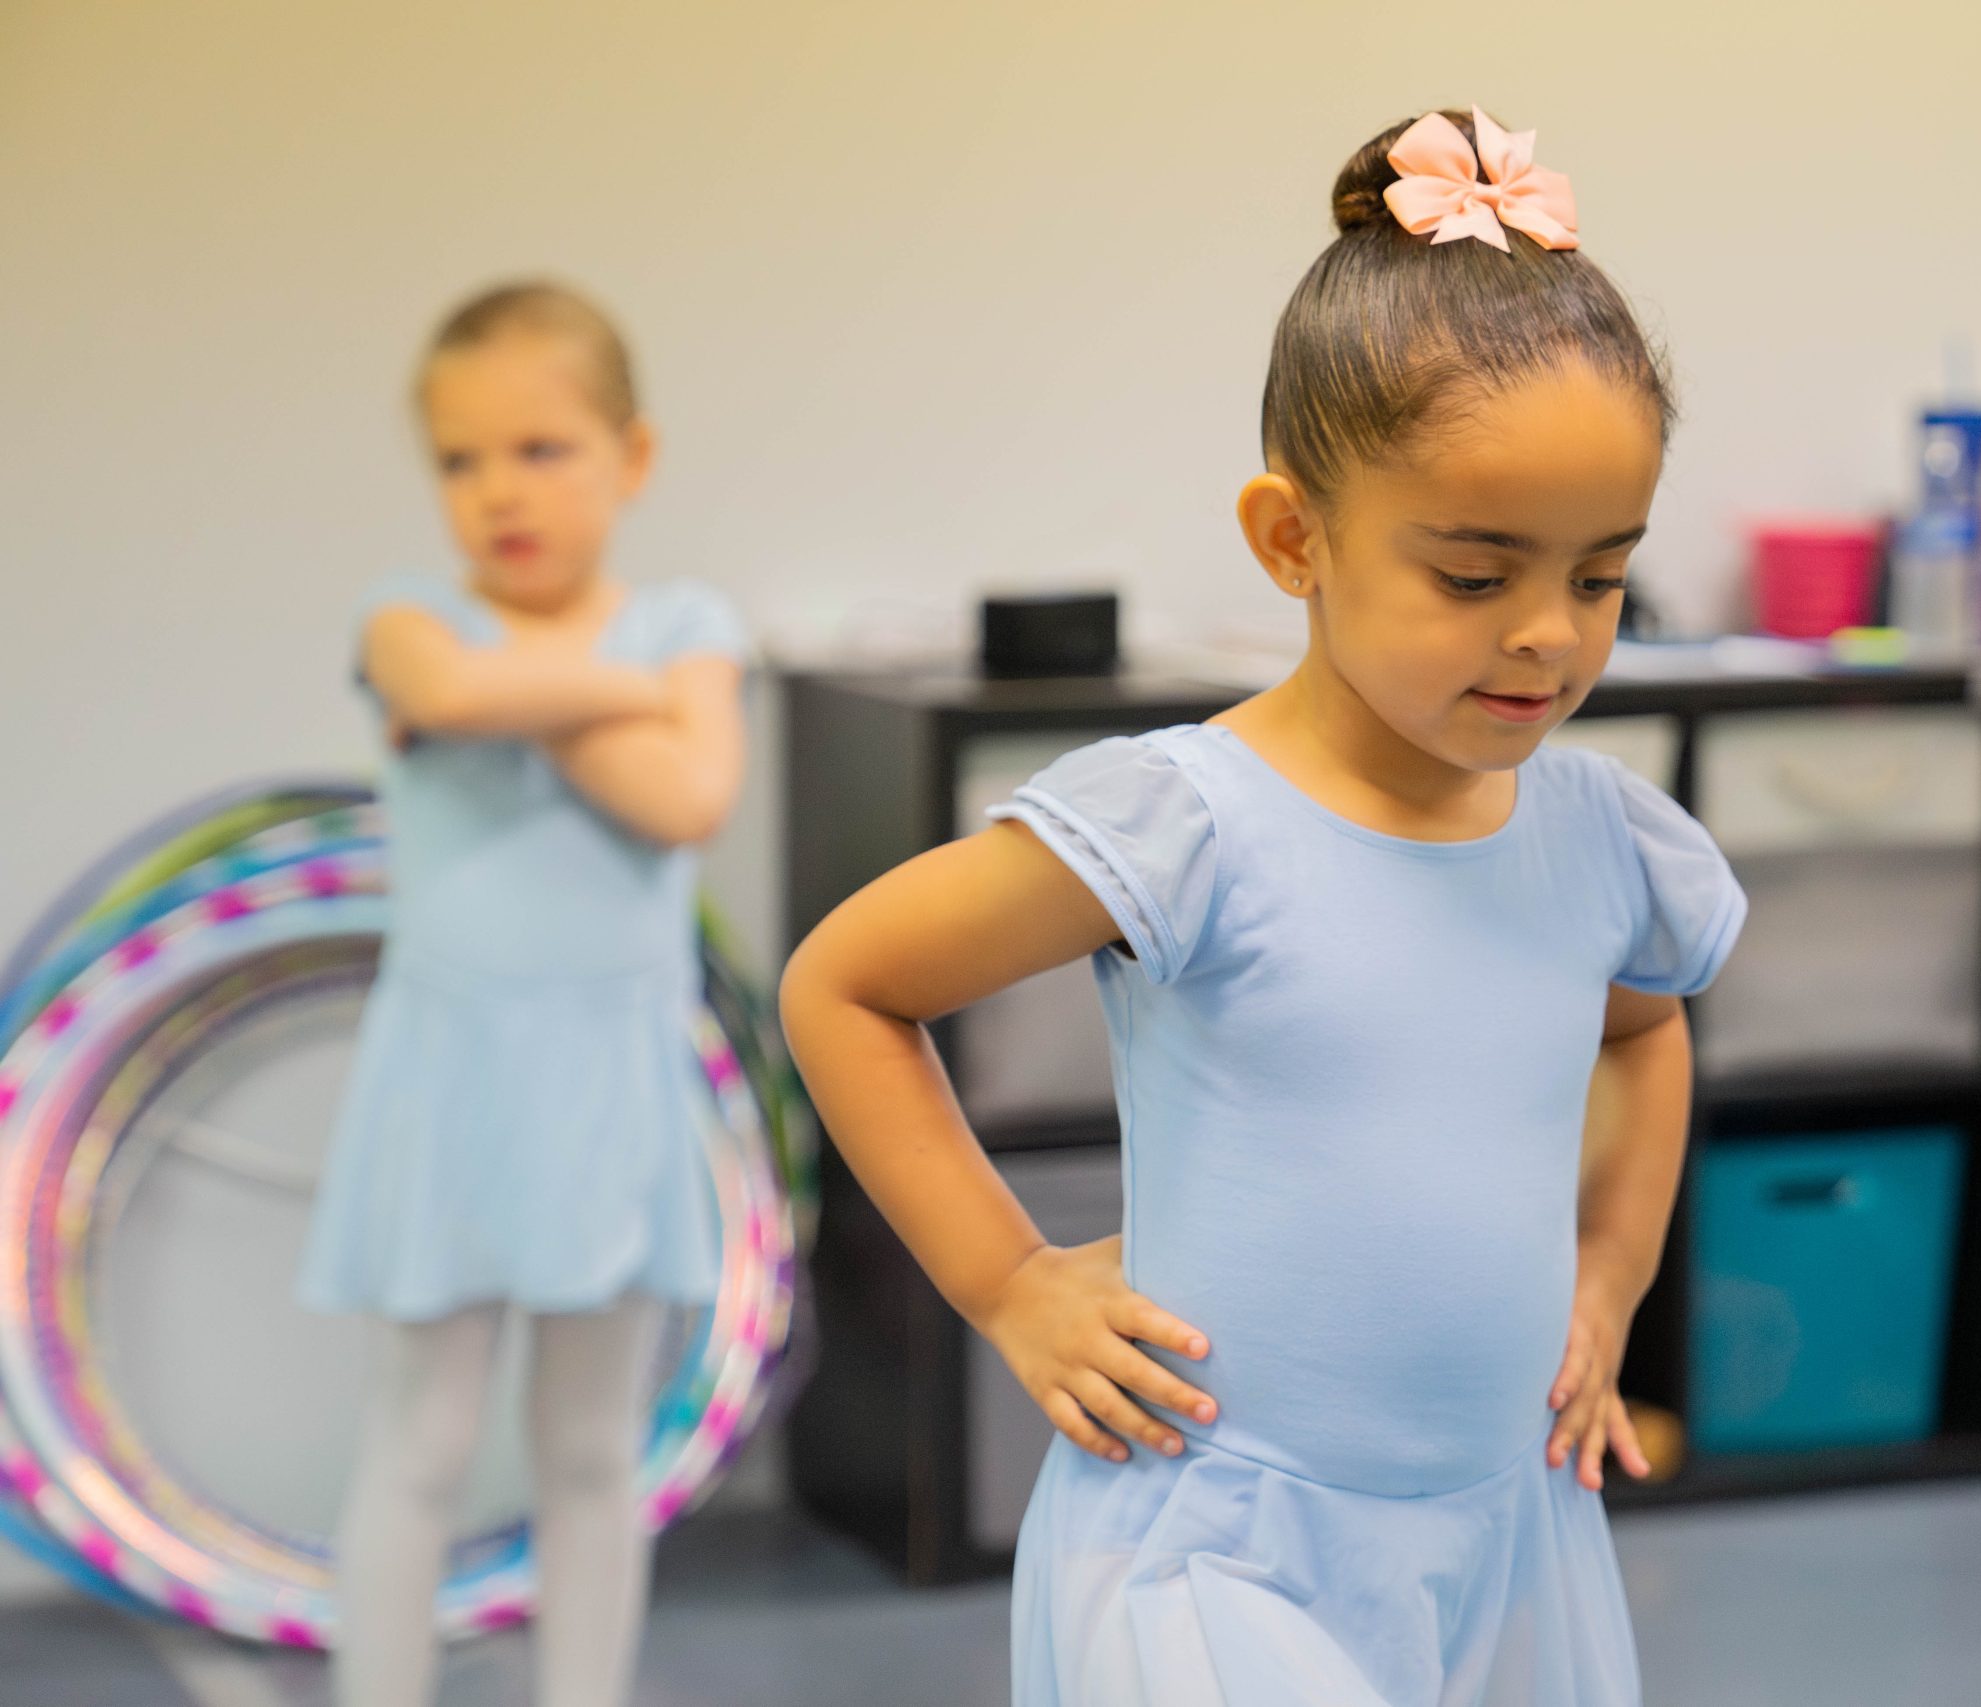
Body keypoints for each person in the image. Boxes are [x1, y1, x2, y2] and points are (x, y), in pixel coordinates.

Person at [781, 108, 1744, 1705]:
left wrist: (1612, 1270)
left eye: (1598, 578)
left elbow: (1645, 1038)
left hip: (1506, 1535)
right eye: (1473, 572)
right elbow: (850, 984)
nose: (1546, 638)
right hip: (1217, 1546)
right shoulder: (1191, 822)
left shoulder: (1600, 841)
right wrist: (1010, 1282)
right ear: (1296, 538)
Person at [299, 282, 751, 1707]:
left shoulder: (688, 615)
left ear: (634, 456)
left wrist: (529, 690)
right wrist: (623, 690)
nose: (500, 489)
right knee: (417, 1440)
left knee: (589, 1445)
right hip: (447, 1081)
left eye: (542, 448)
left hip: (606, 1085)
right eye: (460, 458)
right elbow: (452, 689)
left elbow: (690, 793)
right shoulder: (403, 619)